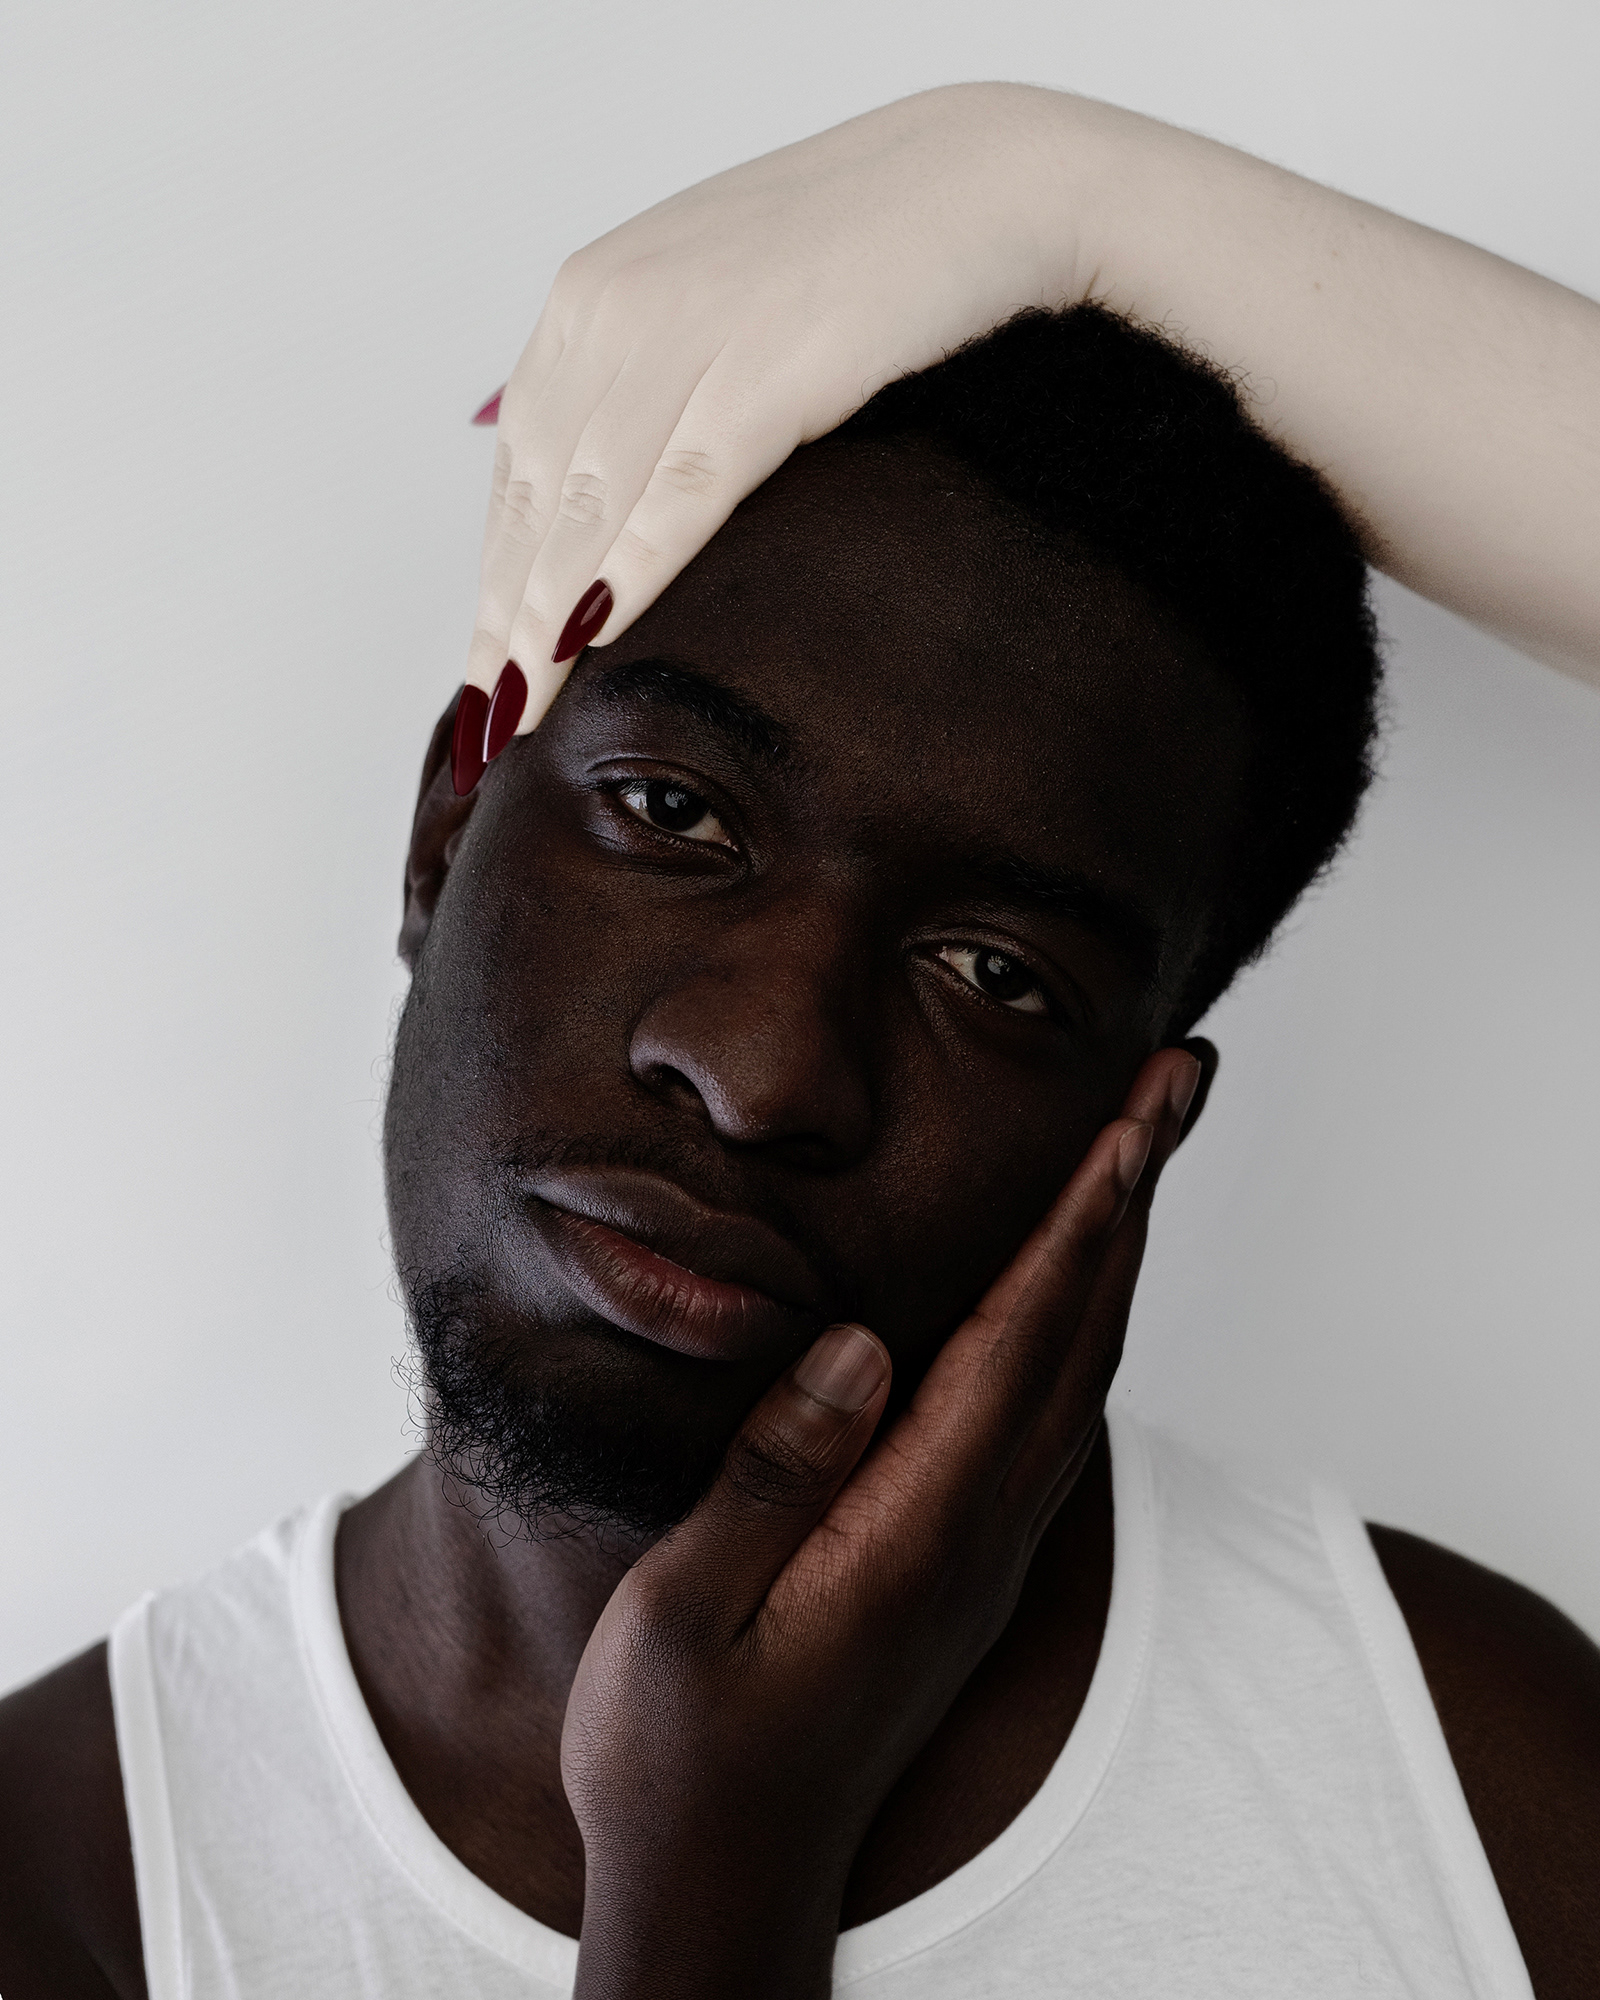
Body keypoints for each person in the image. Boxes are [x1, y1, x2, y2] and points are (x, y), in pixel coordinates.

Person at [2, 91, 1596, 2000]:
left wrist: (1056, 187)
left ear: (1139, 1119)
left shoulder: (1491, 1792)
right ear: (446, 835)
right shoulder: (62, 1889)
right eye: (675, 814)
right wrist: (711, 1876)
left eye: (993, 972)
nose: (764, 1073)